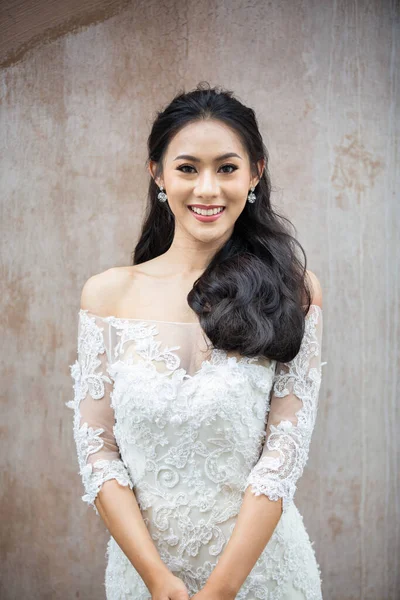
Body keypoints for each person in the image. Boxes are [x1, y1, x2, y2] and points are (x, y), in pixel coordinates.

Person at [66, 83, 326, 600]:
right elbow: (97, 449)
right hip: (143, 577)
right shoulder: (108, 294)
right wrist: (158, 579)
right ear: (158, 175)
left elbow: (283, 454)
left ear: (255, 173)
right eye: (188, 168)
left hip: (263, 576)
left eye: (226, 168)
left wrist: (220, 590)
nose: (208, 188)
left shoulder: (293, 289)